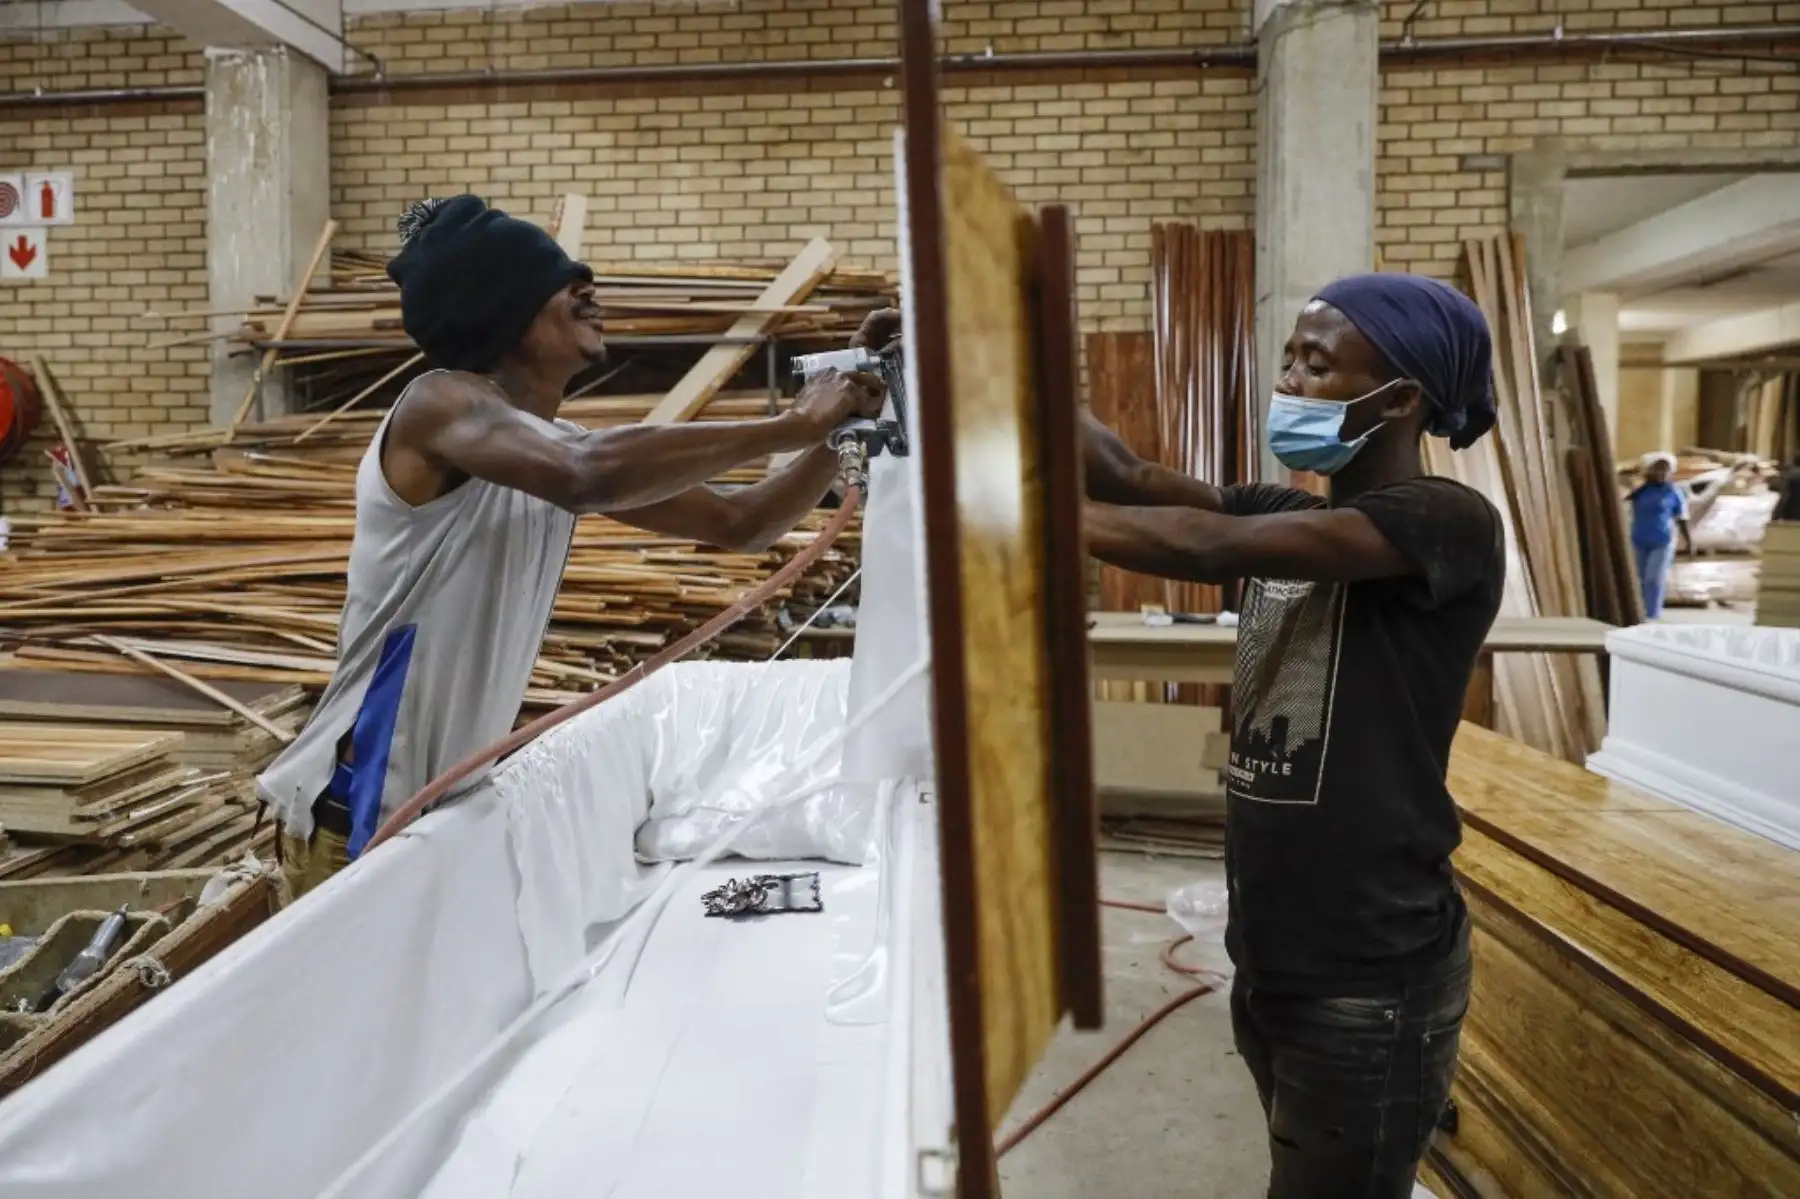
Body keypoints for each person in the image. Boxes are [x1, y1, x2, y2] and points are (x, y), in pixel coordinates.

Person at [257, 195, 885, 901]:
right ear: (497, 310)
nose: (587, 288)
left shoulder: (551, 451)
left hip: (438, 812)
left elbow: (745, 522)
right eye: (557, 283)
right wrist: (793, 425)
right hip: (358, 811)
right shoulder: (439, 407)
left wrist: (849, 413)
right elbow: (589, 476)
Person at [1082, 273, 1503, 1199]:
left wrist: (997, 505)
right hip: (1273, 946)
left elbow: (1201, 543)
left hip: (1370, 967)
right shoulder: (1288, 514)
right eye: (1289, 357)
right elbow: (1126, 478)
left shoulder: (1445, 522)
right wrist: (982, 373)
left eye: (1317, 364)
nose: (1289, 381)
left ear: (1397, 398)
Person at [1626, 451, 1692, 620]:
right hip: (1639, 539)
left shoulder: (1673, 492)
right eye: (1657, 468)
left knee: (1653, 578)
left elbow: (1682, 517)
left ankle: (1652, 614)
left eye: (1665, 469)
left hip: (1662, 540)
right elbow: (1622, 499)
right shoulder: (1640, 491)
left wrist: (1688, 541)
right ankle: (1638, 612)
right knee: (1639, 578)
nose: (1661, 473)